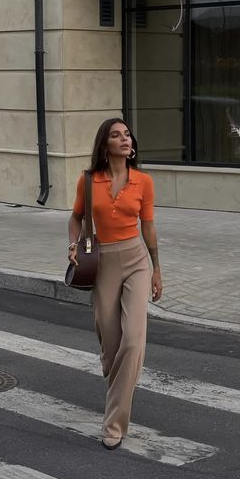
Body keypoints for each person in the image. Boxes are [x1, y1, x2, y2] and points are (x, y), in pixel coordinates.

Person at [67, 117, 162, 451]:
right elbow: (76, 217)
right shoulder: (88, 181)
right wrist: (73, 243)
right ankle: (116, 370)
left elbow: (148, 226)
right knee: (111, 346)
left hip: (135, 259)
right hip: (102, 261)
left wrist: (156, 268)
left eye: (127, 134)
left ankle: (114, 423)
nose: (124, 139)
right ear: (104, 145)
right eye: (116, 135)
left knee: (133, 342)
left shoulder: (144, 181)